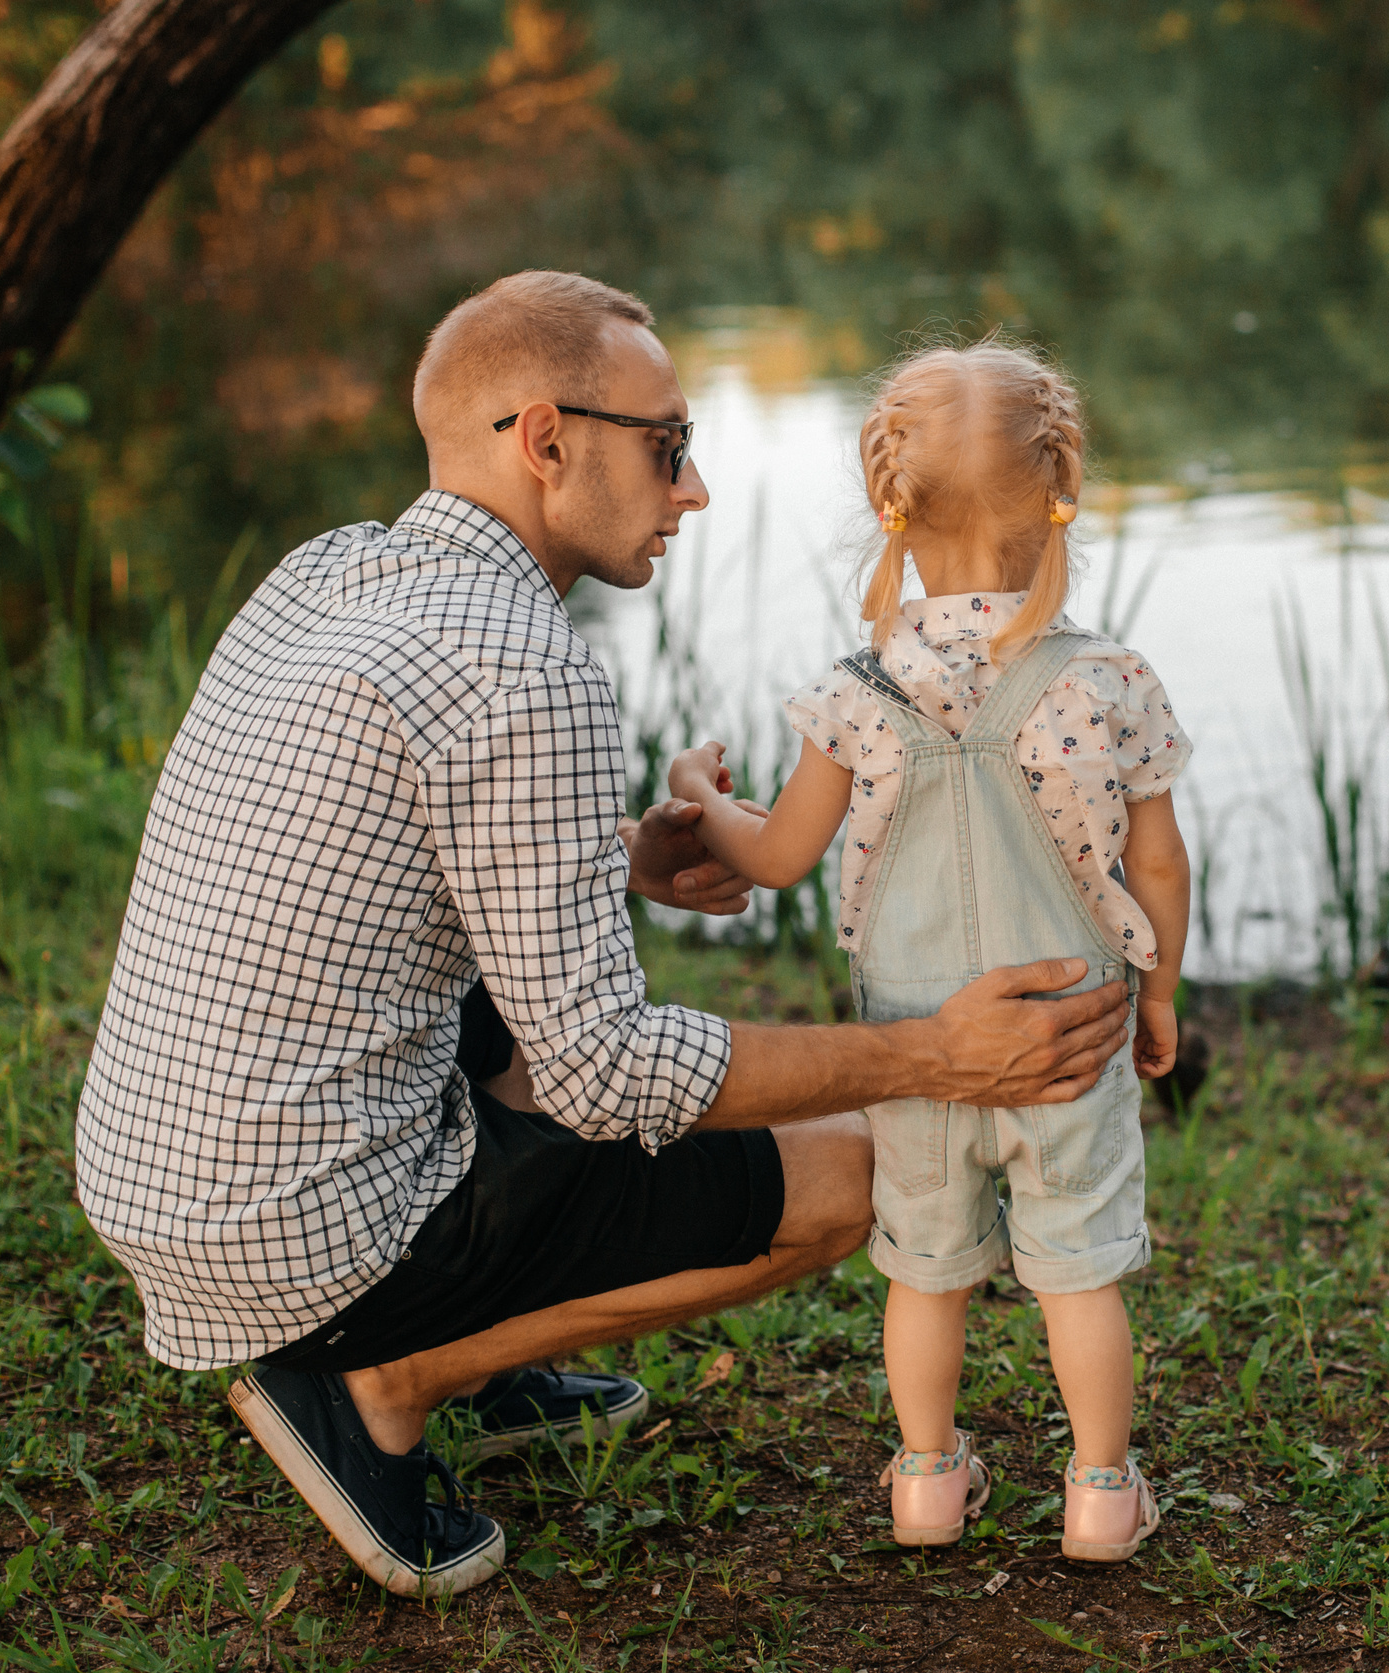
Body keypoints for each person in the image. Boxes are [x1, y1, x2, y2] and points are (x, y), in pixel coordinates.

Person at [72, 275, 1133, 1599]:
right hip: (303, 1223)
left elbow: (367, 858)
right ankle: (390, 1376)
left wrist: (616, 855)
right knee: (864, 1166)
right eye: (667, 447)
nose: (694, 490)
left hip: (168, 1173)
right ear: (545, 439)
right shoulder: (529, 664)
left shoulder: (328, 568)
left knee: (544, 1018)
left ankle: (480, 1349)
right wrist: (932, 1052)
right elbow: (608, 1074)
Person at [663, 339, 1193, 1564]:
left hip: (915, 1035)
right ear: (1061, 488)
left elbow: (777, 854)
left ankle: (925, 1481)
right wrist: (1159, 988)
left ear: (888, 500)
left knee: (925, 1266)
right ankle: (1101, 1494)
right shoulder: (1109, 680)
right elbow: (1159, 863)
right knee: (1079, 1271)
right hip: (1070, 1021)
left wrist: (699, 793)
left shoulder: (855, 692)